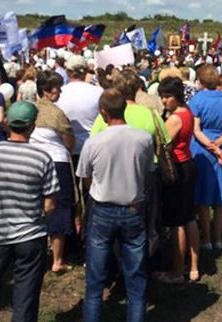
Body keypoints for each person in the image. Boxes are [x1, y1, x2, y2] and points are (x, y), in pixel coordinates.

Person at [0, 101, 60, 322]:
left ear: (7, 123)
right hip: (30, 235)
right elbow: (50, 203)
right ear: (32, 126)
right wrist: (35, 216)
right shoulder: (42, 158)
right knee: (25, 297)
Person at [76, 89, 154, 322]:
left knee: (95, 279)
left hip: (103, 208)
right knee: (136, 278)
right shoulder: (143, 139)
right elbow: (148, 172)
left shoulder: (94, 142)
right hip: (133, 207)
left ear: (103, 112)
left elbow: (86, 177)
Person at [30, 71, 78, 273]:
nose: (59, 90)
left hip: (33, 160)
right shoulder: (56, 113)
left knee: (35, 207)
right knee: (59, 207)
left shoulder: (29, 110)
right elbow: (69, 141)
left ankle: (36, 253)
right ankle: (58, 259)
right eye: (56, 87)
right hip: (57, 162)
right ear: (46, 90)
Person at [190, 65, 222, 252]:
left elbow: (196, 129)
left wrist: (211, 145)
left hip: (203, 150)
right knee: (220, 197)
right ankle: (218, 238)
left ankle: (207, 239)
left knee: (203, 197)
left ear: (201, 81)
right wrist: (219, 144)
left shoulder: (197, 100)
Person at [155, 77, 200, 283]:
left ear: (177, 96)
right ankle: (194, 266)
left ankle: (176, 269)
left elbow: (162, 143)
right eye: (162, 97)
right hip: (188, 163)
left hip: (178, 166)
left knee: (176, 222)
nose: (164, 101)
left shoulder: (175, 118)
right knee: (189, 217)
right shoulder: (188, 112)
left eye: (168, 97)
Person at [56, 55, 103, 166]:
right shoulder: (98, 92)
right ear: (86, 71)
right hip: (92, 146)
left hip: (67, 148)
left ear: (68, 72)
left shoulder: (59, 94)